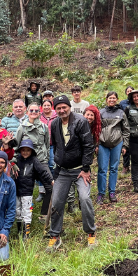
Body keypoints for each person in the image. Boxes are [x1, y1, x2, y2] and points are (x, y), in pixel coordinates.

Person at [46, 95, 97, 252]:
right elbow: (56, 145)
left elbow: (89, 145)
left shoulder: (80, 121)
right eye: (59, 108)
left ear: (69, 107)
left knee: (85, 198)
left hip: (81, 169)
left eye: (64, 107)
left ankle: (91, 234)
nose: (62, 110)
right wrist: (56, 168)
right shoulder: (54, 124)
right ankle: (55, 236)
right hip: (62, 170)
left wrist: (86, 168)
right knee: (56, 203)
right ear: (55, 110)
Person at [11, 140, 53, 240]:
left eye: (28, 150)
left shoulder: (34, 161)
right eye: (23, 150)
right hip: (16, 190)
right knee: (17, 211)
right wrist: (12, 163)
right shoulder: (17, 159)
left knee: (27, 210)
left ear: (32, 151)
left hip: (27, 191)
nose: (25, 152)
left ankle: (27, 233)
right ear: (20, 150)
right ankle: (19, 231)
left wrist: (51, 180)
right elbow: (9, 161)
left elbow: (43, 171)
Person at [97, 92, 130, 204]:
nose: (112, 100)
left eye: (114, 98)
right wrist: (96, 144)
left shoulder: (121, 112)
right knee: (102, 169)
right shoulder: (100, 112)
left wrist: (125, 145)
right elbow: (96, 129)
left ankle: (112, 192)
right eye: (110, 98)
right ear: (106, 99)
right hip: (102, 142)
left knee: (114, 168)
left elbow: (126, 129)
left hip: (117, 142)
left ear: (117, 99)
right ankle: (101, 193)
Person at [14, 103, 50, 209]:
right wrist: (14, 161)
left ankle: (45, 213)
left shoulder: (44, 127)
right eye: (31, 110)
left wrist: (46, 157)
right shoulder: (22, 127)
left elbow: (46, 144)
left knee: (49, 186)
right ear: (27, 112)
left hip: (41, 161)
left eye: (36, 111)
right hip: (26, 162)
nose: (34, 112)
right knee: (24, 187)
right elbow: (16, 146)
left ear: (39, 113)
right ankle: (22, 212)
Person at [119, 86, 134, 173]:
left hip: (135, 126)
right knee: (125, 147)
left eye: (131, 91)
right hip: (125, 127)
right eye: (128, 91)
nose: (129, 92)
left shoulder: (136, 101)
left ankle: (135, 166)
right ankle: (126, 166)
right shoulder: (123, 103)